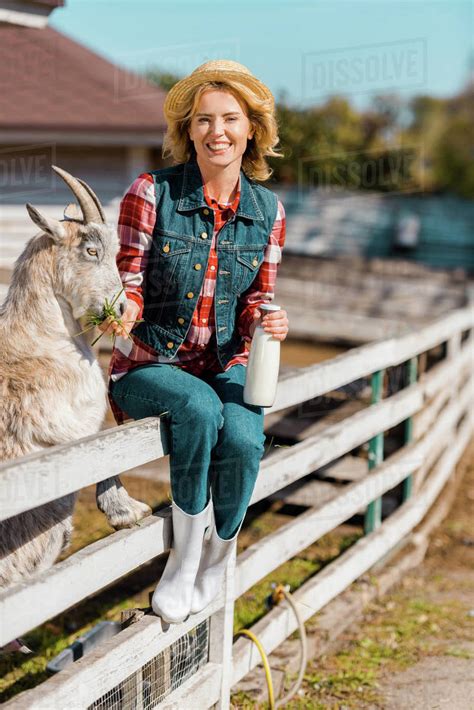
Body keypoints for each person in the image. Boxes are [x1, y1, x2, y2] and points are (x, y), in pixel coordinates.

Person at [99, 59, 289, 624]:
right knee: (200, 407)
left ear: (251, 129)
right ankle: (183, 562)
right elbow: (128, 279)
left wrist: (270, 320)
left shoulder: (268, 211)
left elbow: (258, 297)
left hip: (223, 362)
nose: (217, 131)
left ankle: (217, 560)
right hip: (148, 364)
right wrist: (123, 309)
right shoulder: (151, 193)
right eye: (203, 120)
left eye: (230, 118)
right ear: (188, 131)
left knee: (246, 439)